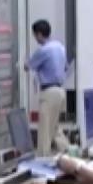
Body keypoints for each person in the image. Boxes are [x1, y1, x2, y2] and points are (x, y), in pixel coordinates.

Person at [27, 19, 69, 156]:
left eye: (35, 35)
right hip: (61, 91)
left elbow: (29, 66)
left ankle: (42, 160)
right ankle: (69, 152)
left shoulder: (43, 50)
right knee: (55, 127)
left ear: (39, 34)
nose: (35, 39)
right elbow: (66, 67)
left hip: (49, 92)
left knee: (44, 130)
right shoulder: (60, 47)